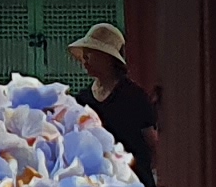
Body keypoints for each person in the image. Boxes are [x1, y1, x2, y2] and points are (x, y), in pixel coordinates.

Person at [66, 21, 155, 174]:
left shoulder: (134, 97)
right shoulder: (83, 100)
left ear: (107, 57)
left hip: (133, 178)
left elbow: (151, 140)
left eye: (90, 53)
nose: (84, 59)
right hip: (98, 181)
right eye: (84, 54)